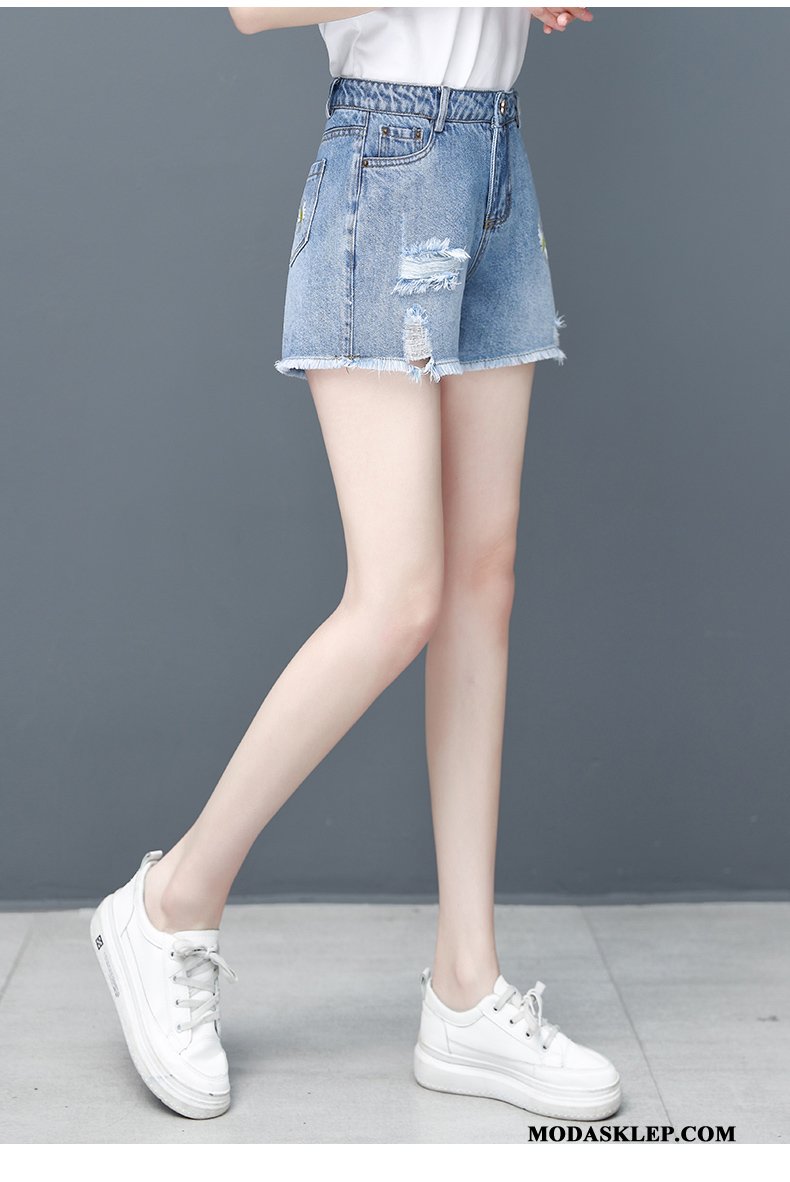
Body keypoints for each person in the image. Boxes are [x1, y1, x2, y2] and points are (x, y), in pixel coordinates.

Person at [90, 5, 621, 1124]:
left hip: (494, 157)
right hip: (388, 168)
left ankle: (465, 988)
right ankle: (171, 901)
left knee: (481, 584)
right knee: (399, 598)